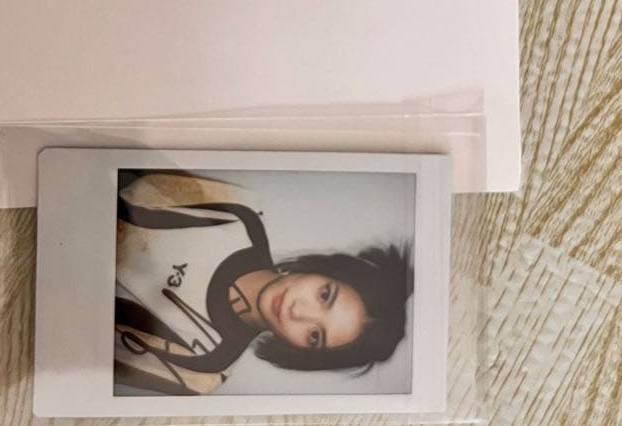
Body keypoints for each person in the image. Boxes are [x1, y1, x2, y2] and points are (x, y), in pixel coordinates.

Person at [114, 170, 413, 396]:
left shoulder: (204, 372)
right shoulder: (239, 212)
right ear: (322, 269)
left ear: (302, 353)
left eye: (314, 336)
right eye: (324, 295)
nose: (298, 312)